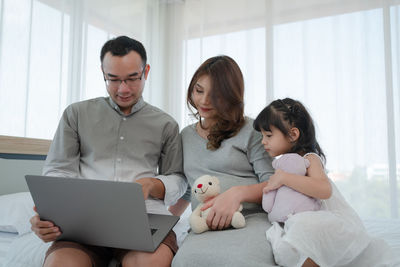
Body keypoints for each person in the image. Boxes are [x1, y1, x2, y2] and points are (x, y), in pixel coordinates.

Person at [29, 36, 187, 267]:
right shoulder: (76, 114)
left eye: (132, 78)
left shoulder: (166, 124)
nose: (123, 89)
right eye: (113, 79)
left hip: (144, 220)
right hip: (83, 224)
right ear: (102, 72)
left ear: (146, 71)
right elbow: (58, 170)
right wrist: (50, 213)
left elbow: (179, 179)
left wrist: (153, 184)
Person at [253, 98, 388, 267]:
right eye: (262, 136)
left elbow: (324, 190)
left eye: (268, 135)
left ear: (293, 134)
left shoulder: (309, 159)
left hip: (330, 221)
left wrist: (284, 178)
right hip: (305, 220)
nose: (263, 141)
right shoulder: (284, 164)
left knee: (302, 230)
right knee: (288, 244)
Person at [169, 55, 277, 267]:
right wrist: (162, 222)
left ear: (231, 96)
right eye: (199, 90)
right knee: (184, 262)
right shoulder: (185, 136)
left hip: (248, 220)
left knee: (241, 262)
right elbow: (189, 188)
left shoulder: (252, 131)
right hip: (204, 223)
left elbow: (274, 184)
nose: (204, 101)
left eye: (216, 95)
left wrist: (237, 194)